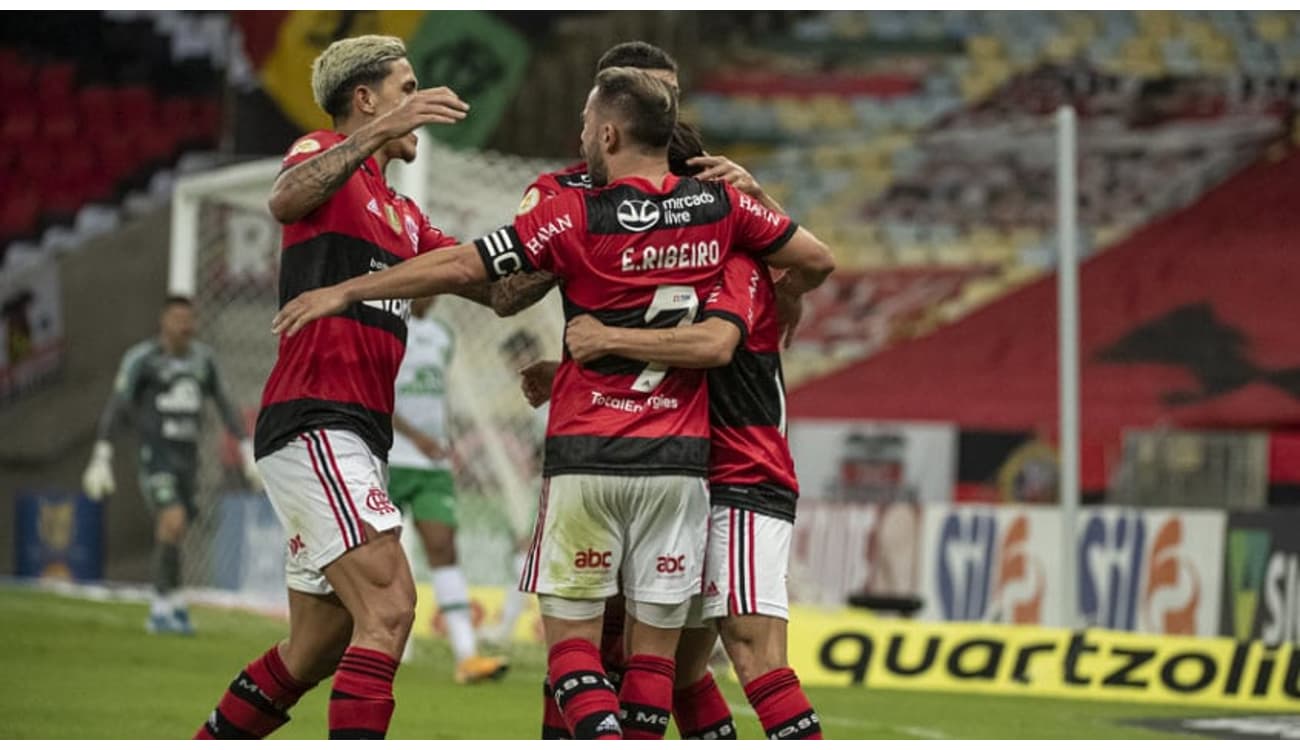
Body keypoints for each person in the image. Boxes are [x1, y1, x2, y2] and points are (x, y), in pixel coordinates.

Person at [270, 66, 834, 739]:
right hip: (685, 464)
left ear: (608, 130)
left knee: (591, 650)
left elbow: (476, 272)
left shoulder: (568, 208)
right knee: (669, 667)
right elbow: (811, 266)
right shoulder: (727, 220)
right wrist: (762, 215)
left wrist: (346, 291)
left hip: (613, 455)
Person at [193, 35, 469, 740]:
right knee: (392, 607)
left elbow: (486, 280)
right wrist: (383, 131)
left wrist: (565, 235)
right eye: (407, 89)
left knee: (315, 647)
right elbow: (286, 200)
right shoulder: (320, 154)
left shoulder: (406, 217)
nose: (419, 101)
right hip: (317, 418)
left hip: (356, 434)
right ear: (365, 100)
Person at [552, 250, 825, 740]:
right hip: (692, 478)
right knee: (677, 670)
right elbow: (667, 360)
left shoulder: (735, 264)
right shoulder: (690, 269)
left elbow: (718, 342)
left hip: (742, 477)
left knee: (754, 651)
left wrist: (607, 337)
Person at [82, 295, 261, 635]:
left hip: (188, 460)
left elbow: (225, 406)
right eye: (178, 318)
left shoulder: (204, 361)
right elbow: (118, 406)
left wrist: (246, 450)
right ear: (163, 322)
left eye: (189, 318)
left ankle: (175, 602)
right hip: (156, 456)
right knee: (172, 520)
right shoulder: (143, 360)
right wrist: (101, 455)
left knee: (176, 530)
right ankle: (160, 607)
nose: (185, 325)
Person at [390, 295, 509, 684]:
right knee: (375, 557)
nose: (435, 294)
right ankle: (361, 647)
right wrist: (414, 435)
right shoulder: (388, 326)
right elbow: (374, 391)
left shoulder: (442, 334)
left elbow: (435, 393)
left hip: (432, 463)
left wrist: (438, 439)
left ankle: (466, 655)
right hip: (389, 456)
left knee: (444, 548)